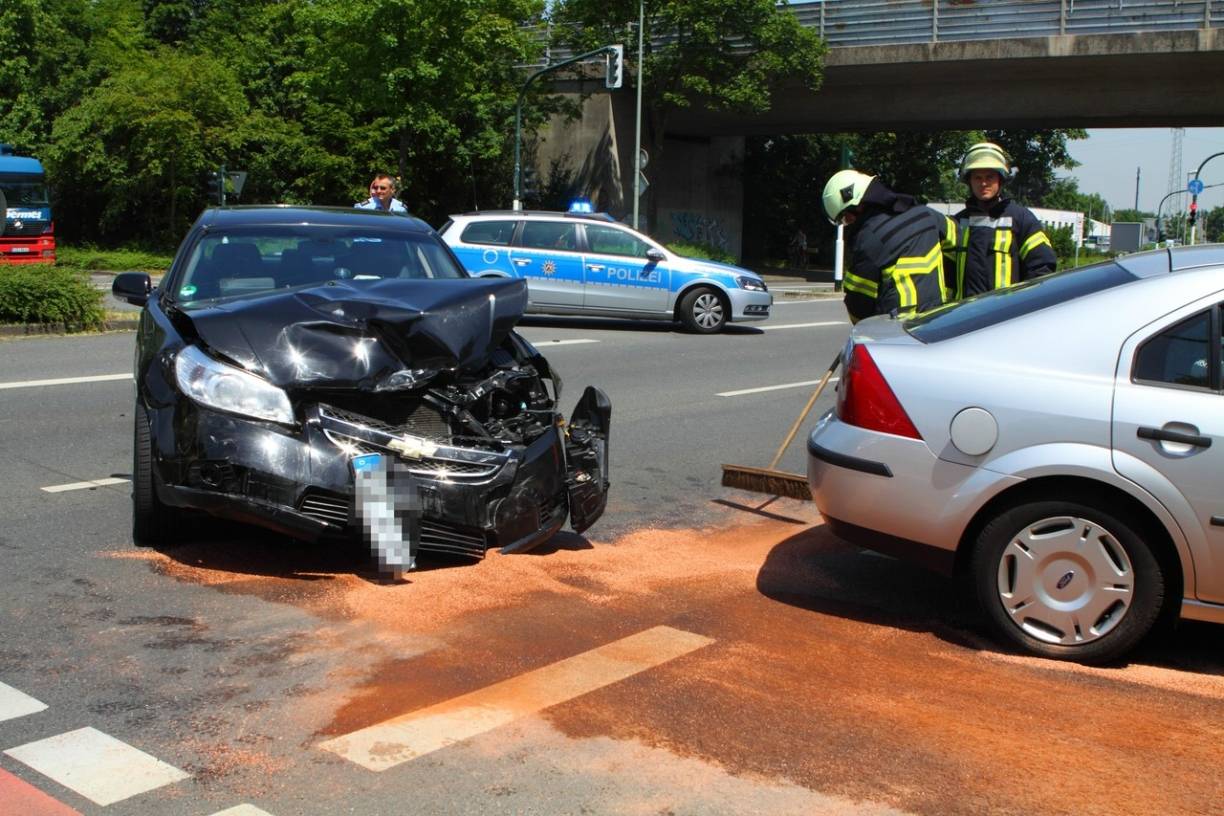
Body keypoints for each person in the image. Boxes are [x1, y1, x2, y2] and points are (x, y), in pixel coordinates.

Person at [821, 169, 956, 324]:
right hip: (940, 320)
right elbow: (958, 241)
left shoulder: (869, 240)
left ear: (857, 206)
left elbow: (858, 304)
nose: (848, 222)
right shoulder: (927, 215)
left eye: (845, 217)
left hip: (899, 332)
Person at [946, 142, 1056, 299]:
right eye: (977, 177)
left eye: (989, 177)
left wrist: (1022, 304)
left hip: (1005, 318)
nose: (983, 183)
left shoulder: (1021, 219)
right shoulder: (957, 223)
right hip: (965, 317)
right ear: (969, 181)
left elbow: (1042, 267)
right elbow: (945, 274)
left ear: (1001, 179)